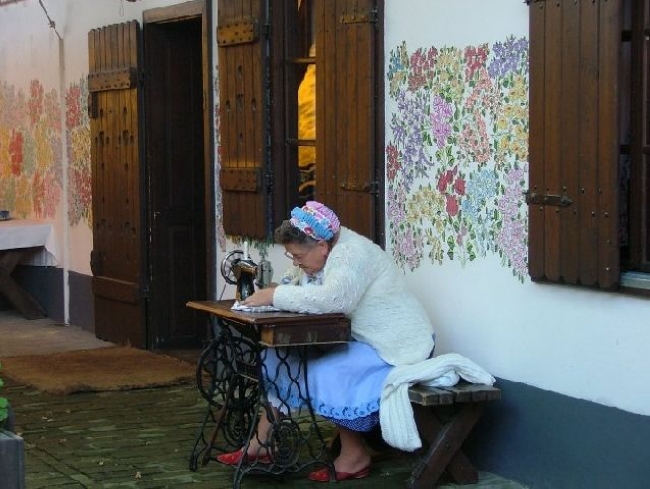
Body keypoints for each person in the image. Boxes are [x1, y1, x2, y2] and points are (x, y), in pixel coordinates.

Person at [217, 201, 435, 482]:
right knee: (276, 357)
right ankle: (262, 442)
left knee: (326, 372)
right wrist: (277, 289)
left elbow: (335, 300)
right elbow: (294, 281)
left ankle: (355, 454)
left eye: (298, 256)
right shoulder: (322, 252)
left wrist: (275, 296)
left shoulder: (350, 253)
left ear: (321, 245)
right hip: (359, 340)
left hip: (396, 346)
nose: (296, 262)